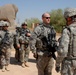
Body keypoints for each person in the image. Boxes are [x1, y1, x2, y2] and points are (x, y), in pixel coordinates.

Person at [55, 8, 76, 75]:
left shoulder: (67, 30)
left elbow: (63, 51)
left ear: (69, 18)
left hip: (69, 64)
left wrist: (57, 63)